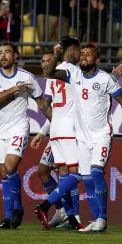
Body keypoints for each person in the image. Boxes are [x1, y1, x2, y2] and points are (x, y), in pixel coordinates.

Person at [43, 42, 122, 232]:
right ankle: (95, 220)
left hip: (102, 135)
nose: (83, 57)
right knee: (87, 179)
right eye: (82, 54)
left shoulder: (105, 79)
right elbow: (50, 74)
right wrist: (56, 55)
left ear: (97, 60)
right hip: (82, 139)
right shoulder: (74, 74)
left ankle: (102, 218)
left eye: (88, 55)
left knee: (95, 173)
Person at [0, 42, 52, 229]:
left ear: (16, 55)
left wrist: (55, 120)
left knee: (10, 165)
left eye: (7, 52)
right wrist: (15, 89)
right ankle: (11, 214)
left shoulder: (27, 77)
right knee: (4, 172)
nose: (3, 56)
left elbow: (42, 103)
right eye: (0, 53)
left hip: (19, 127)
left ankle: (15, 211)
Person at [32, 36, 85, 230]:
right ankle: (45, 206)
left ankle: (71, 219)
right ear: (72, 52)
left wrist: (46, 128)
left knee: (63, 174)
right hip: (71, 129)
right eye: (79, 51)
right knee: (78, 173)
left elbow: (45, 105)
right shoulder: (73, 71)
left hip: (55, 129)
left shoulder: (50, 78)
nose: (81, 55)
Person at [29, 50, 68, 228]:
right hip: (55, 132)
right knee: (43, 171)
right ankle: (61, 210)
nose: (45, 64)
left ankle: (70, 214)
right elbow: (54, 114)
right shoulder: (49, 81)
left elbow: (59, 113)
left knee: (66, 173)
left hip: (65, 132)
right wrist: (41, 133)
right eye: (43, 61)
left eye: (48, 61)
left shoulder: (63, 78)